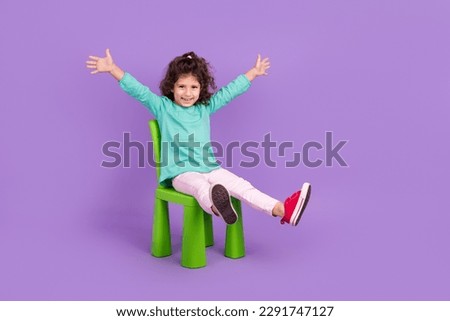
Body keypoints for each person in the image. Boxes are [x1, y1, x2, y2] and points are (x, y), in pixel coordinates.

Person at [86, 49, 311, 226]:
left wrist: (253, 72)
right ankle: (217, 207)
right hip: (180, 173)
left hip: (210, 167)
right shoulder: (163, 107)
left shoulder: (205, 108)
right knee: (199, 186)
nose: (187, 92)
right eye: (181, 86)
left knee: (243, 186)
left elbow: (229, 92)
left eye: (193, 87)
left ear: (201, 88)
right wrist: (113, 69)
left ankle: (283, 210)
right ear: (171, 88)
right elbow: (139, 91)